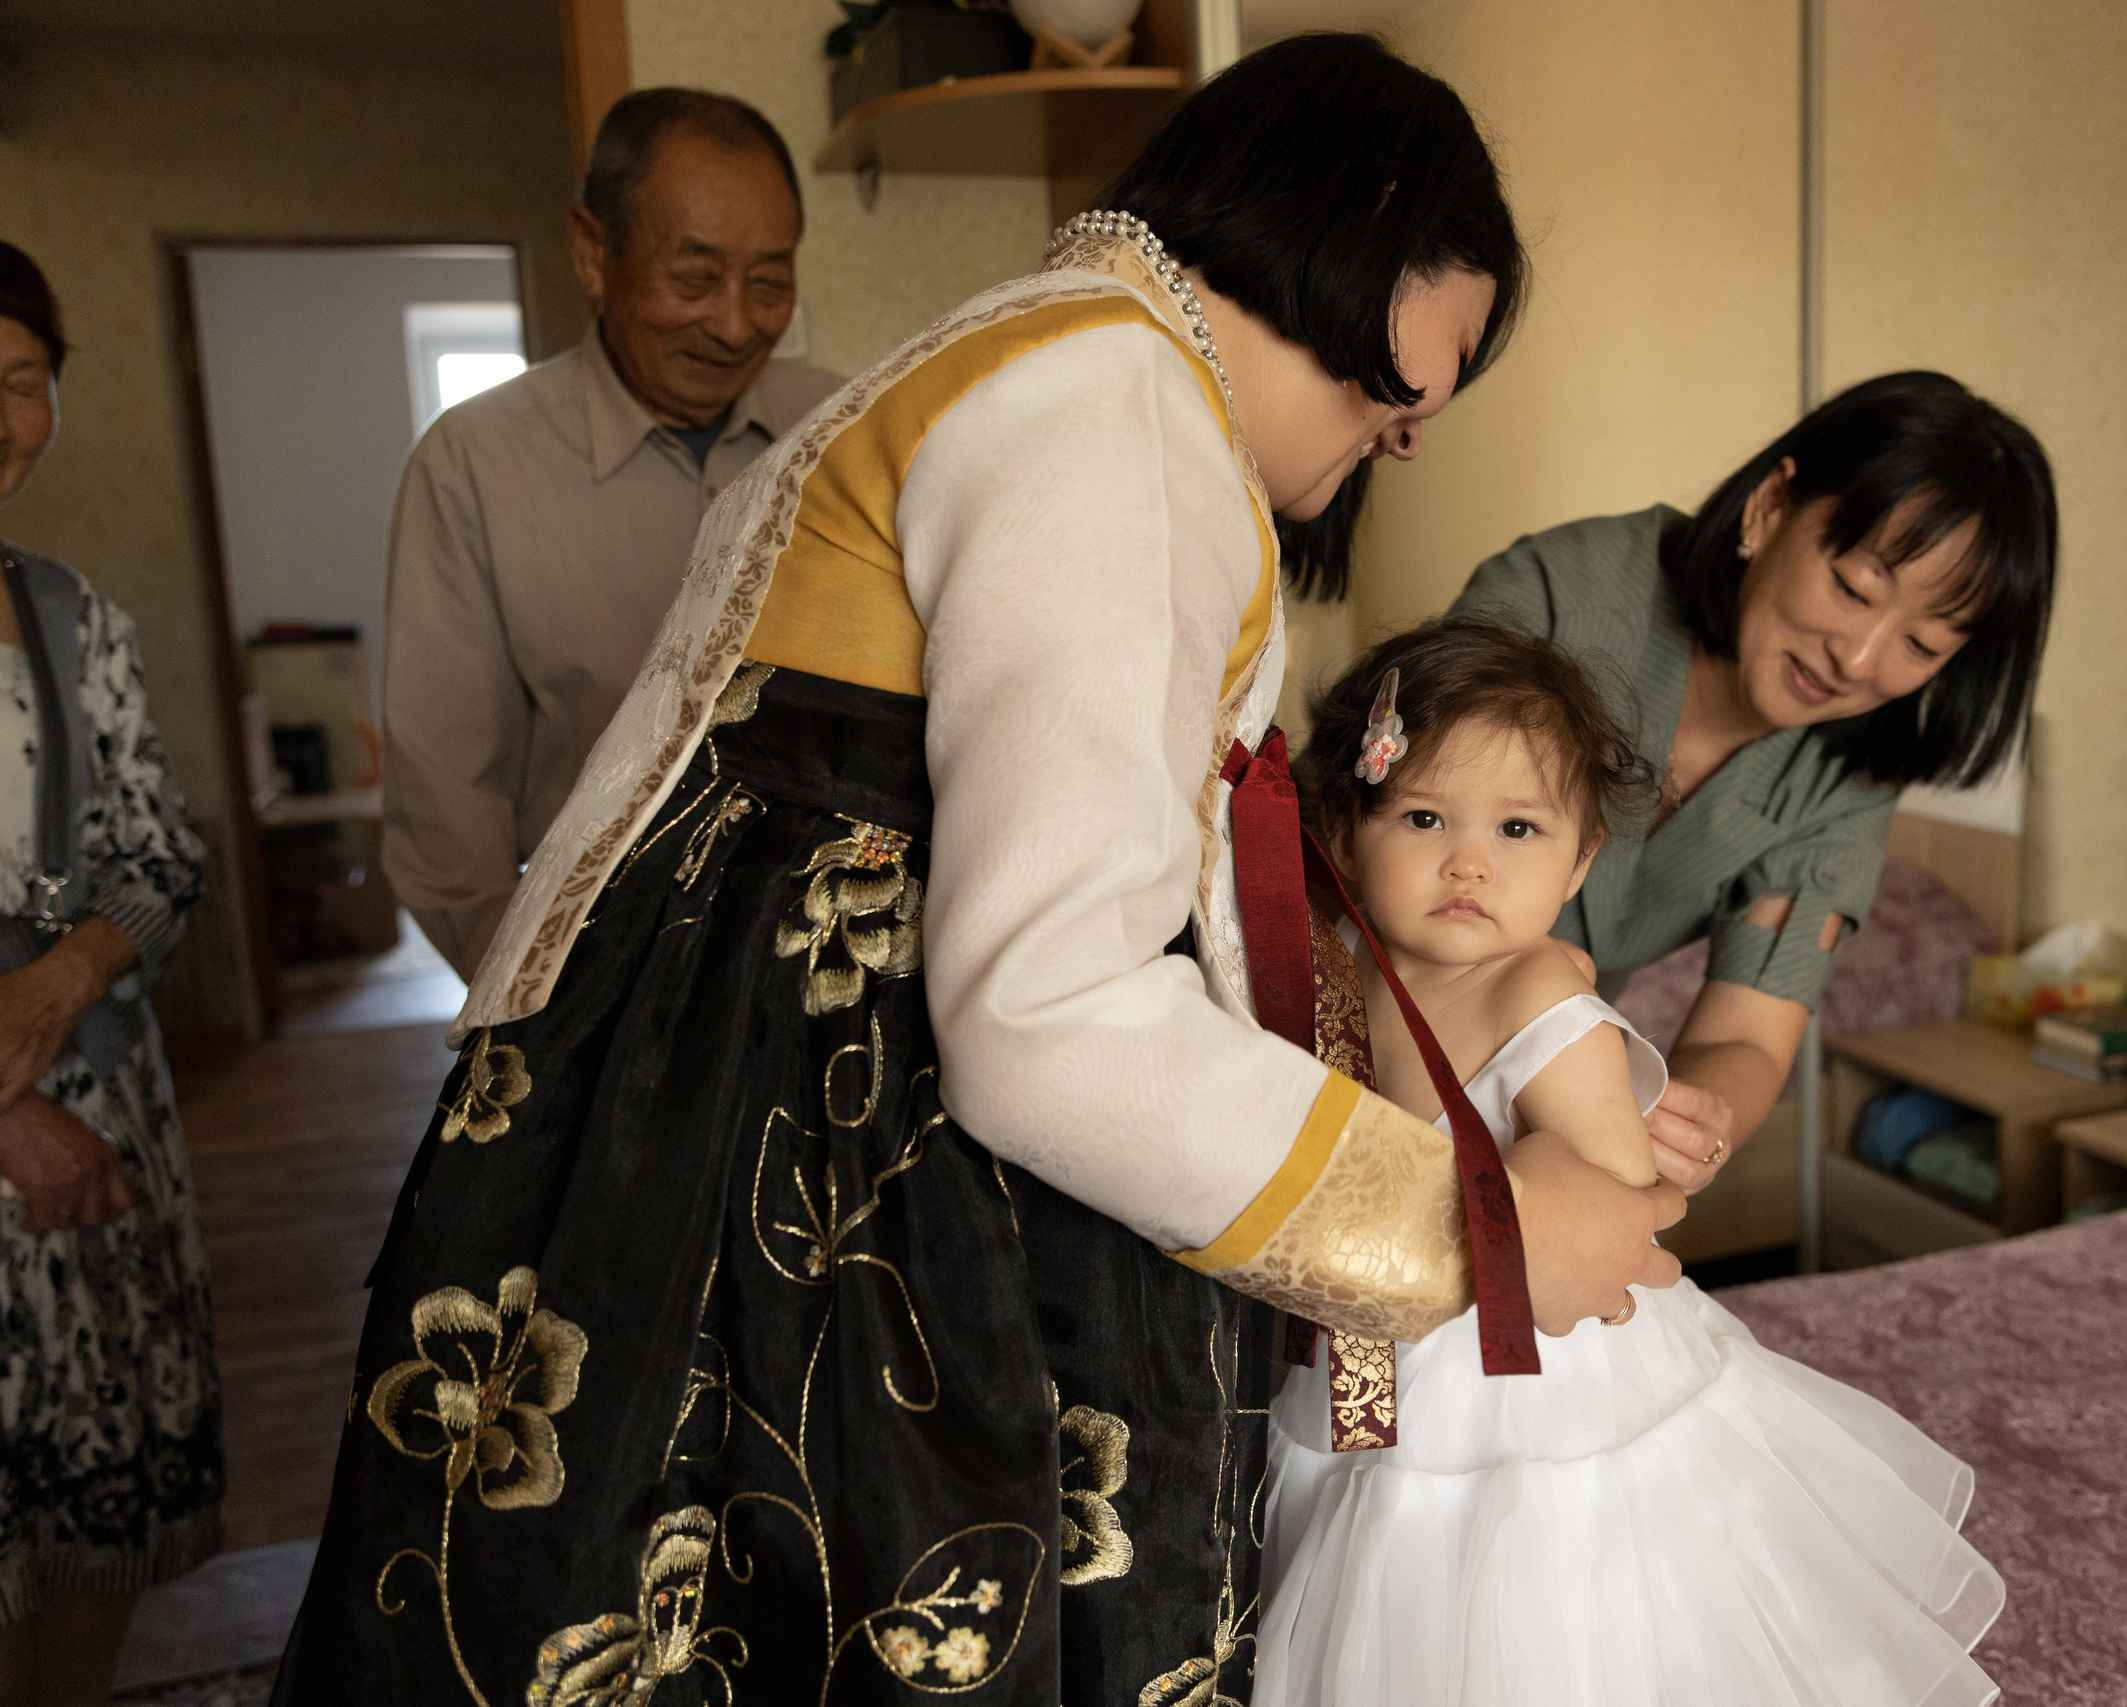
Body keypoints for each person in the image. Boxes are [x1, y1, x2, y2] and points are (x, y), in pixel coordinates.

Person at [276, 36, 1690, 1707]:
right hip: (858, 1159)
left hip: (716, 1109)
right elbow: (1058, 1014)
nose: (1403, 440)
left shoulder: (1040, 357)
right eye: (1405, 393)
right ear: (1349, 239)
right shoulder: (1118, 410)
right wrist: (1476, 1228)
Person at [1257, 616, 2004, 1706]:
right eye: (1422, 817)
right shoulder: (1343, 979)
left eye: (1517, 829)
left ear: (1580, 858)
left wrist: (1607, 1147)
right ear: (1345, 828)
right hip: (1379, 1349)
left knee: (1552, 1619)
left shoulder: (1542, 994)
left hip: (1531, 1387)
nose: (1468, 861)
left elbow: (1618, 1209)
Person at [1454, 371, 2059, 1191]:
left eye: (1922, 647)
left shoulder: (1846, 774)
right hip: (1369, 1024)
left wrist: (1697, 1121)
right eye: (1852, 587)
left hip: (1545, 1107)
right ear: (1771, 507)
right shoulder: (1565, 602)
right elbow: (1400, 862)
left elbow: (1747, 1034)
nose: (1858, 659)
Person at [382, 86, 843, 978]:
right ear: (594, 254)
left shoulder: (845, 429)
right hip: (596, 971)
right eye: (695, 279)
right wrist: (531, 1007)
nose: (737, 323)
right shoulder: (471, 466)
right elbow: (445, 799)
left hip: (824, 962)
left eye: (771, 281)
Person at [0, 243, 221, 1706]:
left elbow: (161, 850)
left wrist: (61, 977)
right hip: (23, 1134)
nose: (1, 415)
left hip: (107, 1116)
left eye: (23, 380)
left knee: (103, 1511)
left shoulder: (68, 615)